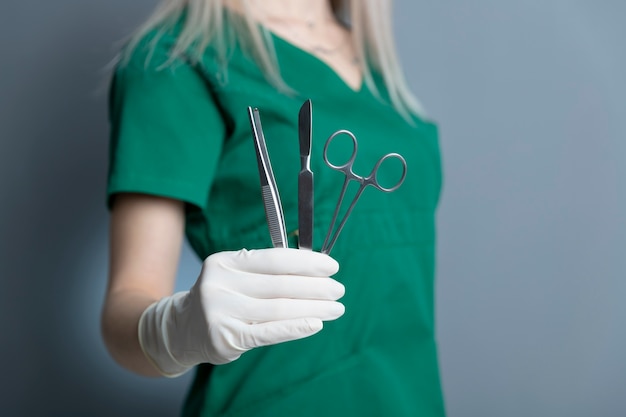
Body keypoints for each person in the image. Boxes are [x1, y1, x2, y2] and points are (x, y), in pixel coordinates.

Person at [101, 0, 445, 415]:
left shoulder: (369, 56)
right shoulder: (177, 57)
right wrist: (174, 331)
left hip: (409, 400)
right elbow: (126, 305)